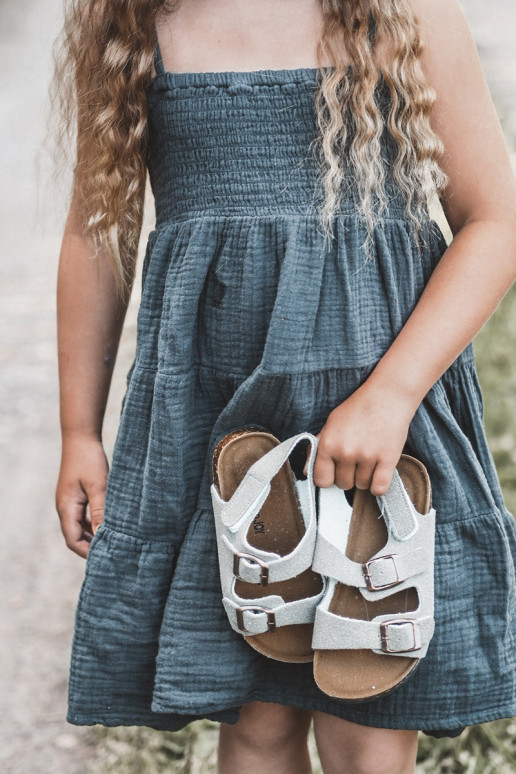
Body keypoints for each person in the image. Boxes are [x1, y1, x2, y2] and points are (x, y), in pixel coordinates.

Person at [54, 1, 516, 772]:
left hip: (383, 420)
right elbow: (97, 233)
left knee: (366, 716)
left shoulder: (405, 13)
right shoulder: (133, 20)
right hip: (222, 426)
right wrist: (78, 433)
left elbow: (494, 223)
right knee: (258, 720)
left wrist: (393, 395)